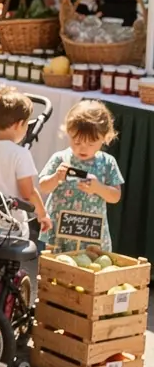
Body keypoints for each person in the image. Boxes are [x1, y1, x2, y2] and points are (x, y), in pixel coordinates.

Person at [39, 100, 123, 253]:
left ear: (105, 137)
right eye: (76, 141)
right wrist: (56, 177)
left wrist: (99, 188)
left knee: (89, 269)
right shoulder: (60, 158)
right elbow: (42, 187)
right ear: (68, 133)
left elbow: (115, 196)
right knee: (54, 270)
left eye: (91, 143)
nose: (82, 148)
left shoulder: (107, 163)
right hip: (59, 231)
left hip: (91, 234)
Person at [0, 87, 51, 242]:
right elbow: (28, 192)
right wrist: (42, 214)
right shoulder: (20, 154)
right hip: (10, 228)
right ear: (19, 124)